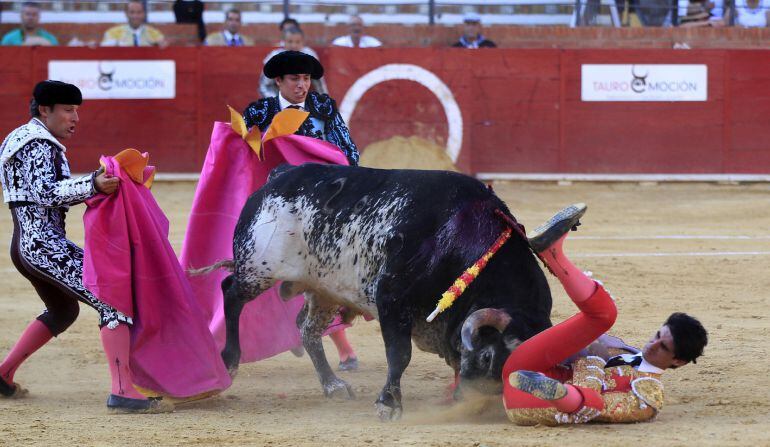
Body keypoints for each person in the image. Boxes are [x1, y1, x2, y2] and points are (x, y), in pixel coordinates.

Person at [0, 80, 173, 413]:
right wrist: (93, 183)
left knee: (64, 310)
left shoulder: (18, 138)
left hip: (26, 245)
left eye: (76, 110)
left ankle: (4, 374)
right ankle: (122, 390)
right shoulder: (38, 144)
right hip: (43, 247)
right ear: (44, 110)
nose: (75, 118)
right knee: (113, 297)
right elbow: (47, 192)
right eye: (67, 110)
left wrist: (90, 182)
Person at [503, 203, 708, 425]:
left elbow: (602, 411)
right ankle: (553, 253)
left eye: (664, 347)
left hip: (527, 403)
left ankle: (560, 393)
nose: (653, 343)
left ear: (678, 361)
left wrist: (593, 361)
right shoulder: (620, 349)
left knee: (594, 401)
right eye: (658, 335)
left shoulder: (647, 395)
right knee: (604, 316)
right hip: (521, 369)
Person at [242, 51, 361, 369]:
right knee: (263, 275)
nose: (302, 85)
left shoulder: (323, 107)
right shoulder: (259, 112)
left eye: (307, 79)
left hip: (319, 208)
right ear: (278, 81)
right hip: (274, 211)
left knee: (323, 276)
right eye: (295, 79)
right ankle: (289, 333)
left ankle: (344, 349)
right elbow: (241, 156)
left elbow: (348, 151)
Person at [259, 27, 327, 98]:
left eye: (297, 42)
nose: (293, 45)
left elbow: (319, 84)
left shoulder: (310, 56)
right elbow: (264, 87)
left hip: (303, 99)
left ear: (302, 42)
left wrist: (324, 101)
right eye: (290, 42)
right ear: (284, 42)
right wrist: (276, 102)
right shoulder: (274, 58)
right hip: (278, 98)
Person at [101, 0, 168, 48]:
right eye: (132, 12)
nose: (135, 16)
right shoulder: (113, 33)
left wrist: (163, 46)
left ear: (144, 14)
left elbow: (164, 52)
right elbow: (102, 52)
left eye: (139, 12)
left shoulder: (154, 34)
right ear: (126, 13)